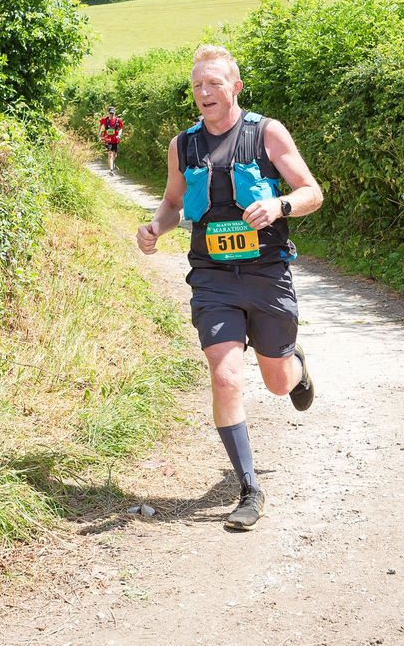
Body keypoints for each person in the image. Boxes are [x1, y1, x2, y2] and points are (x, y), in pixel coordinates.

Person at [136, 45, 324, 531]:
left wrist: (280, 207)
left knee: (277, 383)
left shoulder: (267, 132)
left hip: (265, 273)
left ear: (235, 87)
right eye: (197, 85)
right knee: (224, 376)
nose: (204, 93)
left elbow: (311, 192)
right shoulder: (184, 145)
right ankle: (249, 488)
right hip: (212, 276)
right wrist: (155, 227)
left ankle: (295, 365)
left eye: (214, 83)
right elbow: (173, 203)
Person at [98, 106, 124, 175]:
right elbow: (100, 125)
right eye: (110, 113)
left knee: (114, 155)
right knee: (110, 154)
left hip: (115, 140)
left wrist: (119, 134)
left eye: (113, 113)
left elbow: (121, 128)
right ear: (108, 113)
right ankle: (111, 170)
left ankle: (112, 163)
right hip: (107, 139)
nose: (112, 114)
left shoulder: (118, 120)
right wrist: (99, 134)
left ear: (114, 113)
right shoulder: (104, 120)